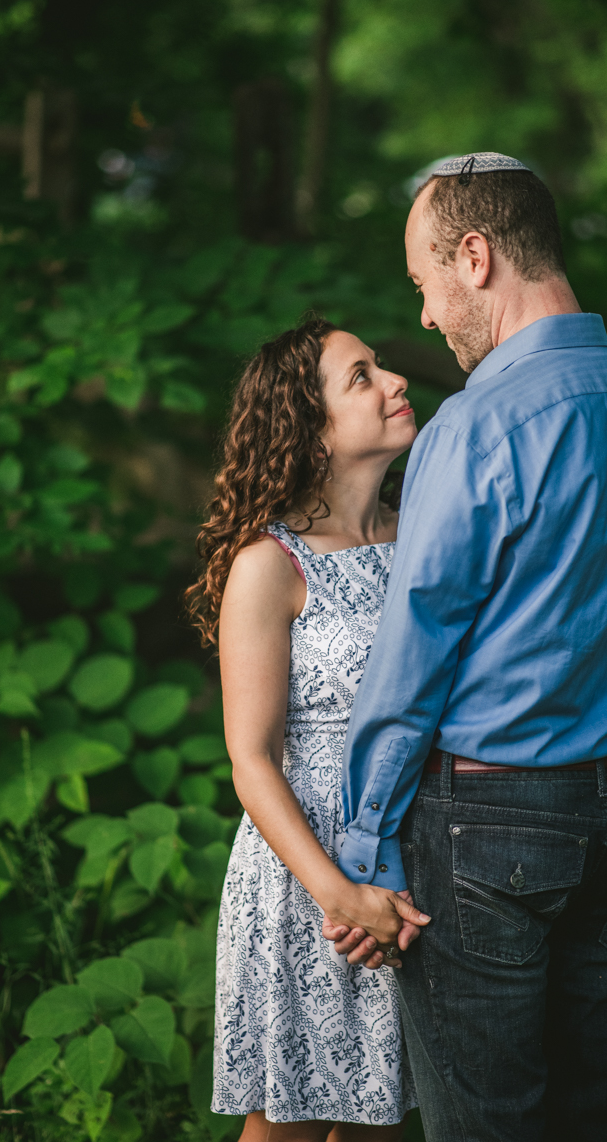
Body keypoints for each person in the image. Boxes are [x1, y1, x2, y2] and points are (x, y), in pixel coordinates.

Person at [323, 152, 607, 1141]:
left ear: (475, 255)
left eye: (423, 284)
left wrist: (363, 844)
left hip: (481, 823)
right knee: (589, 1113)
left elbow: (414, 656)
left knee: (488, 1125)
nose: (422, 317)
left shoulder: (476, 427)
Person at [186, 318, 429, 1141]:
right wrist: (341, 897)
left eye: (380, 366)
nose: (395, 381)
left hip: (415, 850)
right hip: (306, 874)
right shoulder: (269, 564)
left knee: (383, 1117)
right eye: (362, 376)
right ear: (310, 429)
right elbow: (250, 760)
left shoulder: (425, 536)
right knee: (290, 1120)